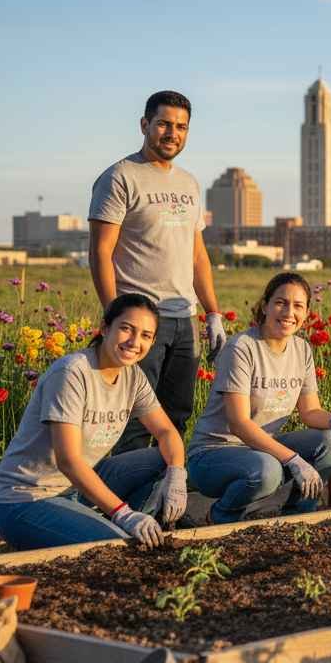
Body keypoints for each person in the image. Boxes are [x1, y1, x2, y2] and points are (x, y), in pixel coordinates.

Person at [88, 90, 226, 456]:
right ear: (145, 124)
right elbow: (101, 251)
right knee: (134, 418)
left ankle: (168, 497)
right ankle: (126, 504)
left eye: (181, 126)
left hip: (184, 318)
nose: (172, 133)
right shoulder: (120, 177)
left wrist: (213, 313)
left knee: (176, 416)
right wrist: (114, 314)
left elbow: (197, 255)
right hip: (141, 318)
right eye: (164, 123)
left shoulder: (189, 183)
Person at [0, 293, 185, 550]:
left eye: (146, 335)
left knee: (166, 458)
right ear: (105, 328)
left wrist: (177, 474)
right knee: (116, 547)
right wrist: (122, 513)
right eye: (126, 329)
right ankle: (118, 525)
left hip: (77, 490)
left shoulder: (133, 376)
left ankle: (140, 525)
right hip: (27, 499)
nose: (134, 342)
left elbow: (165, 431)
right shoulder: (72, 373)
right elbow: (68, 461)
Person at [186, 273, 331, 524]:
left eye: (298, 306)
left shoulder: (301, 349)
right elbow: (239, 424)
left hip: (263, 448)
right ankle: (221, 517)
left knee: (328, 443)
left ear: (306, 313)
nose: (288, 312)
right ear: (265, 306)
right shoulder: (242, 347)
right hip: (215, 453)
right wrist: (294, 459)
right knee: (267, 470)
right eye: (280, 302)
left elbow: (309, 412)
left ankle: (297, 520)